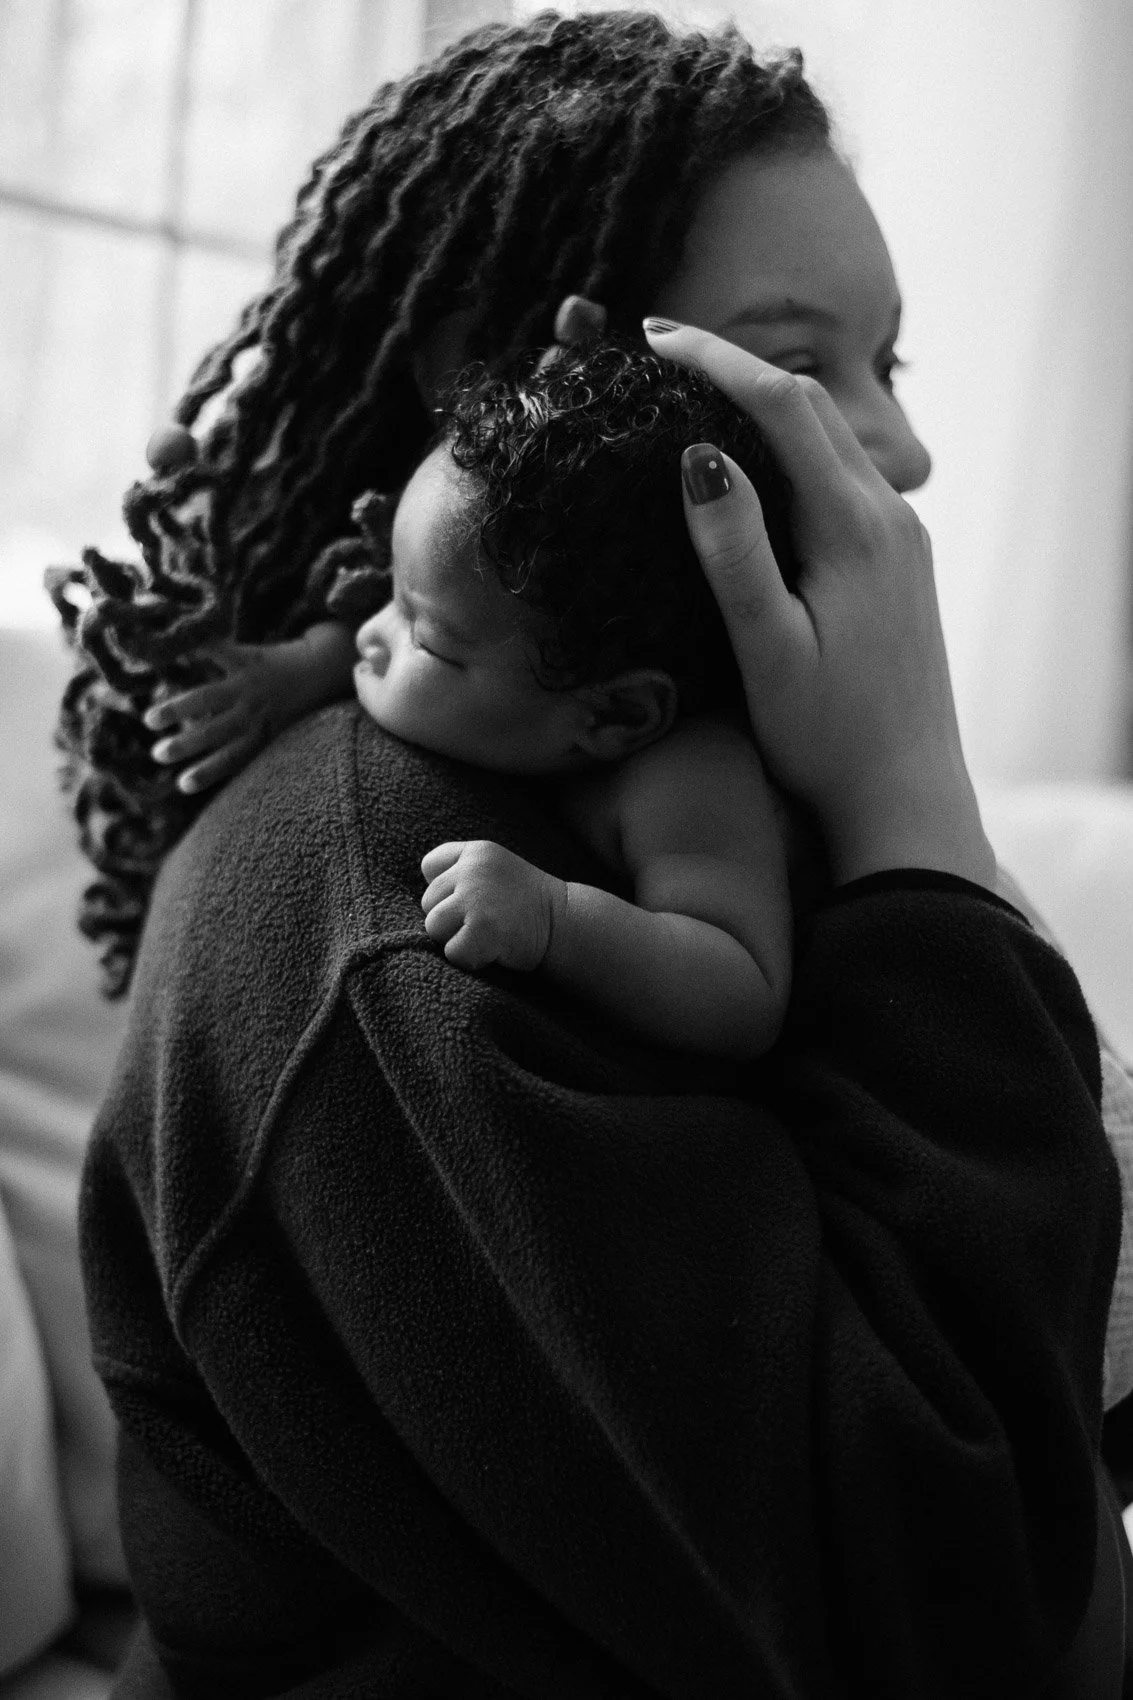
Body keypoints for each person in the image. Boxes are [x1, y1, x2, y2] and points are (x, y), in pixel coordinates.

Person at [54, 11, 1129, 1695]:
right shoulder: (400, 939)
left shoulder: (621, 800)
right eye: (790, 365)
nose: (900, 457)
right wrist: (913, 818)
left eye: (884, 366)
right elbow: (958, 1617)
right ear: (523, 397)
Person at [148, 343, 809, 1062]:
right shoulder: (498, 653)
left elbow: (741, 993)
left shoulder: (687, 777)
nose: (368, 635)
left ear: (614, 716)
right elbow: (403, 634)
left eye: (422, 637)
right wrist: (291, 674)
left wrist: (554, 918)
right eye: (389, 593)